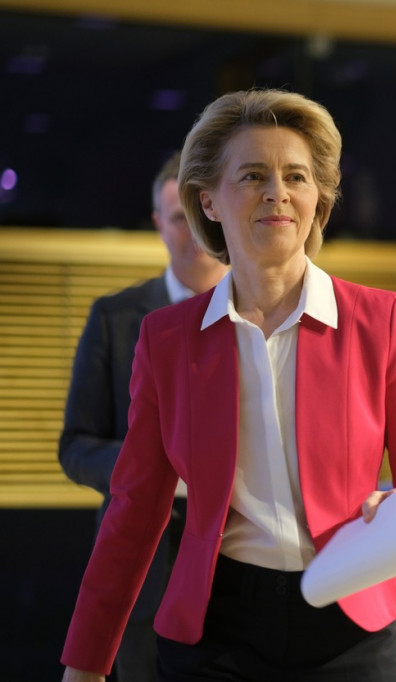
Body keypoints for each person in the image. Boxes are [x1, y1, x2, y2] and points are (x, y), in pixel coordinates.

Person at [60, 88, 396, 682]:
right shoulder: (167, 339)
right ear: (209, 201)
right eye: (252, 176)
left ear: (318, 199)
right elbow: (134, 508)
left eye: (296, 176)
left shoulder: (379, 319)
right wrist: (86, 662)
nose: (277, 192)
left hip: (350, 621)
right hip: (217, 629)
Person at [58, 151, 229, 682]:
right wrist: (156, 471)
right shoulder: (115, 317)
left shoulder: (262, 316)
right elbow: (76, 446)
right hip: (143, 571)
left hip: (243, 564)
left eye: (200, 215)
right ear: (158, 224)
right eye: (178, 217)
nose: (193, 231)